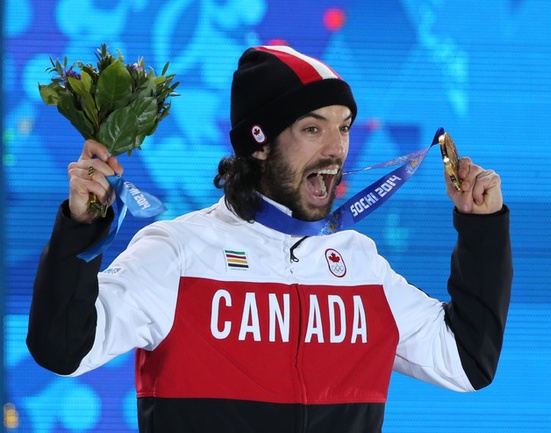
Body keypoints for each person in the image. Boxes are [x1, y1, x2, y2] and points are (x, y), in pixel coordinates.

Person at [27, 45, 512, 432]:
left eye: (343, 128)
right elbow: (62, 348)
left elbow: (466, 360)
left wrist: (482, 228)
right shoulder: (178, 253)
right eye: (312, 128)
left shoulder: (361, 266)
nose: (337, 149)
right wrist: (81, 227)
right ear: (259, 144)